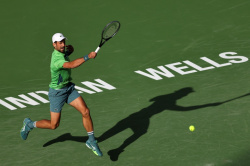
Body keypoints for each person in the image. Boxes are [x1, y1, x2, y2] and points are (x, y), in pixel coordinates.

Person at [20, 33, 102, 157]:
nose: (63, 44)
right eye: (60, 43)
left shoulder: (62, 52)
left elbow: (67, 53)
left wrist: (69, 51)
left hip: (68, 88)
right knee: (54, 125)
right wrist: (88, 57)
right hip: (57, 93)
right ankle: (29, 124)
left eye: (64, 41)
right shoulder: (56, 59)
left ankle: (91, 141)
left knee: (85, 111)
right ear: (54, 44)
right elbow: (71, 65)